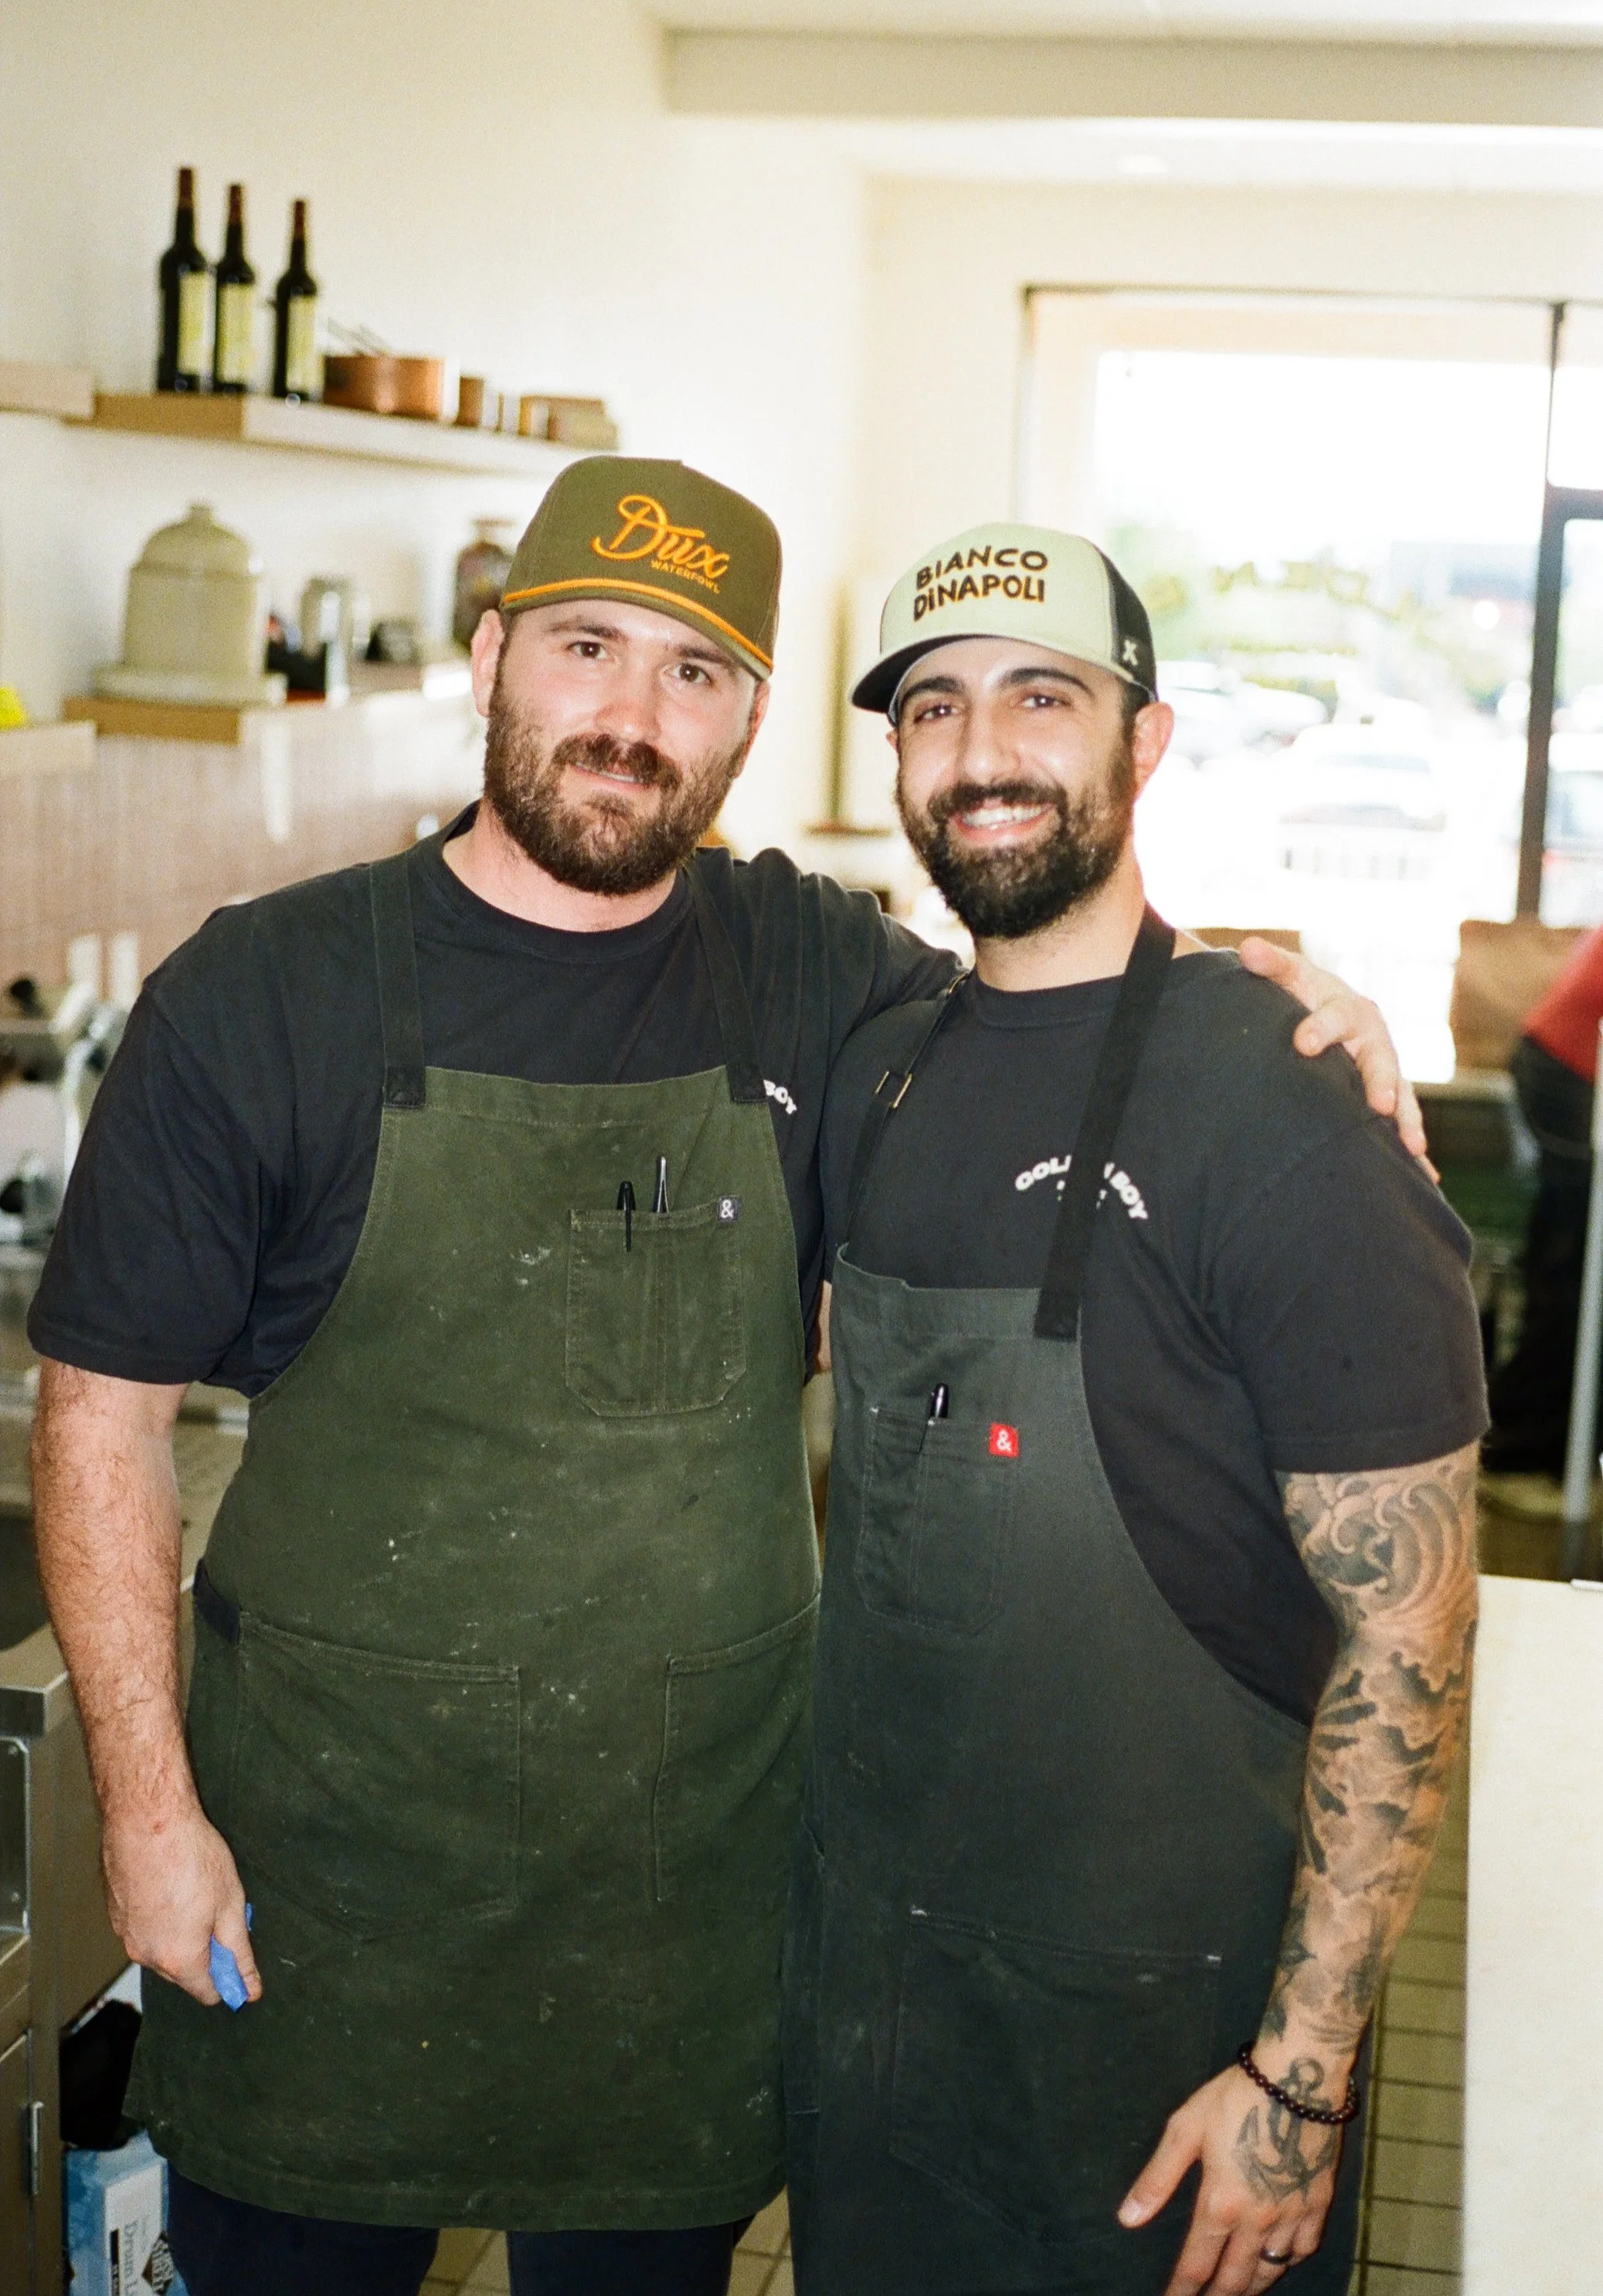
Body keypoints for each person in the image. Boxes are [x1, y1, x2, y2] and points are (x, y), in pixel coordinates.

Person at [32, 459, 1415, 2296]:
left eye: (693, 674)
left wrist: (1281, 991)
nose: (629, 716)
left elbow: (1061, 983)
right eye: (587, 649)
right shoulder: (263, 996)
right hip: (323, 1902)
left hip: (682, 1920)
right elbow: (100, 1422)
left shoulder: (818, 975)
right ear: (491, 655)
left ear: (750, 718)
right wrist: (147, 1813)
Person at [786, 525, 1486, 2296]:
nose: (983, 751)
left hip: (1174, 2061)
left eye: (1043, 696)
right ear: (895, 758)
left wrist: (1298, 2082)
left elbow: (1408, 1632)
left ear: (1143, 741)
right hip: (886, 2038)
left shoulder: (1279, 1098)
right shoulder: (878, 1066)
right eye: (932, 707)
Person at [1482, 924, 1603, 1476]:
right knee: (1575, 1266)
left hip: (1568, 1068)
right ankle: (1531, 1439)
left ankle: (1531, 1431)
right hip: (1566, 1072)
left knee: (1568, 1256)